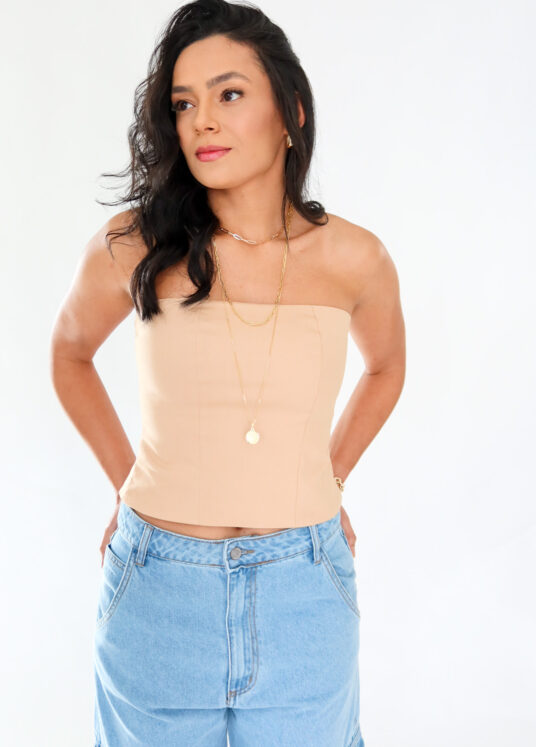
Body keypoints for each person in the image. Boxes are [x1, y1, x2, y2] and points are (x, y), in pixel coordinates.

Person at [49, 1, 405, 744]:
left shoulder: (355, 258)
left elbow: (387, 366)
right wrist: (125, 480)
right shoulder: (135, 245)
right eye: (184, 104)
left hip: (303, 590)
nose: (202, 121)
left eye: (229, 94)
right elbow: (70, 352)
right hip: (159, 591)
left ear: (291, 112)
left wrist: (331, 475)